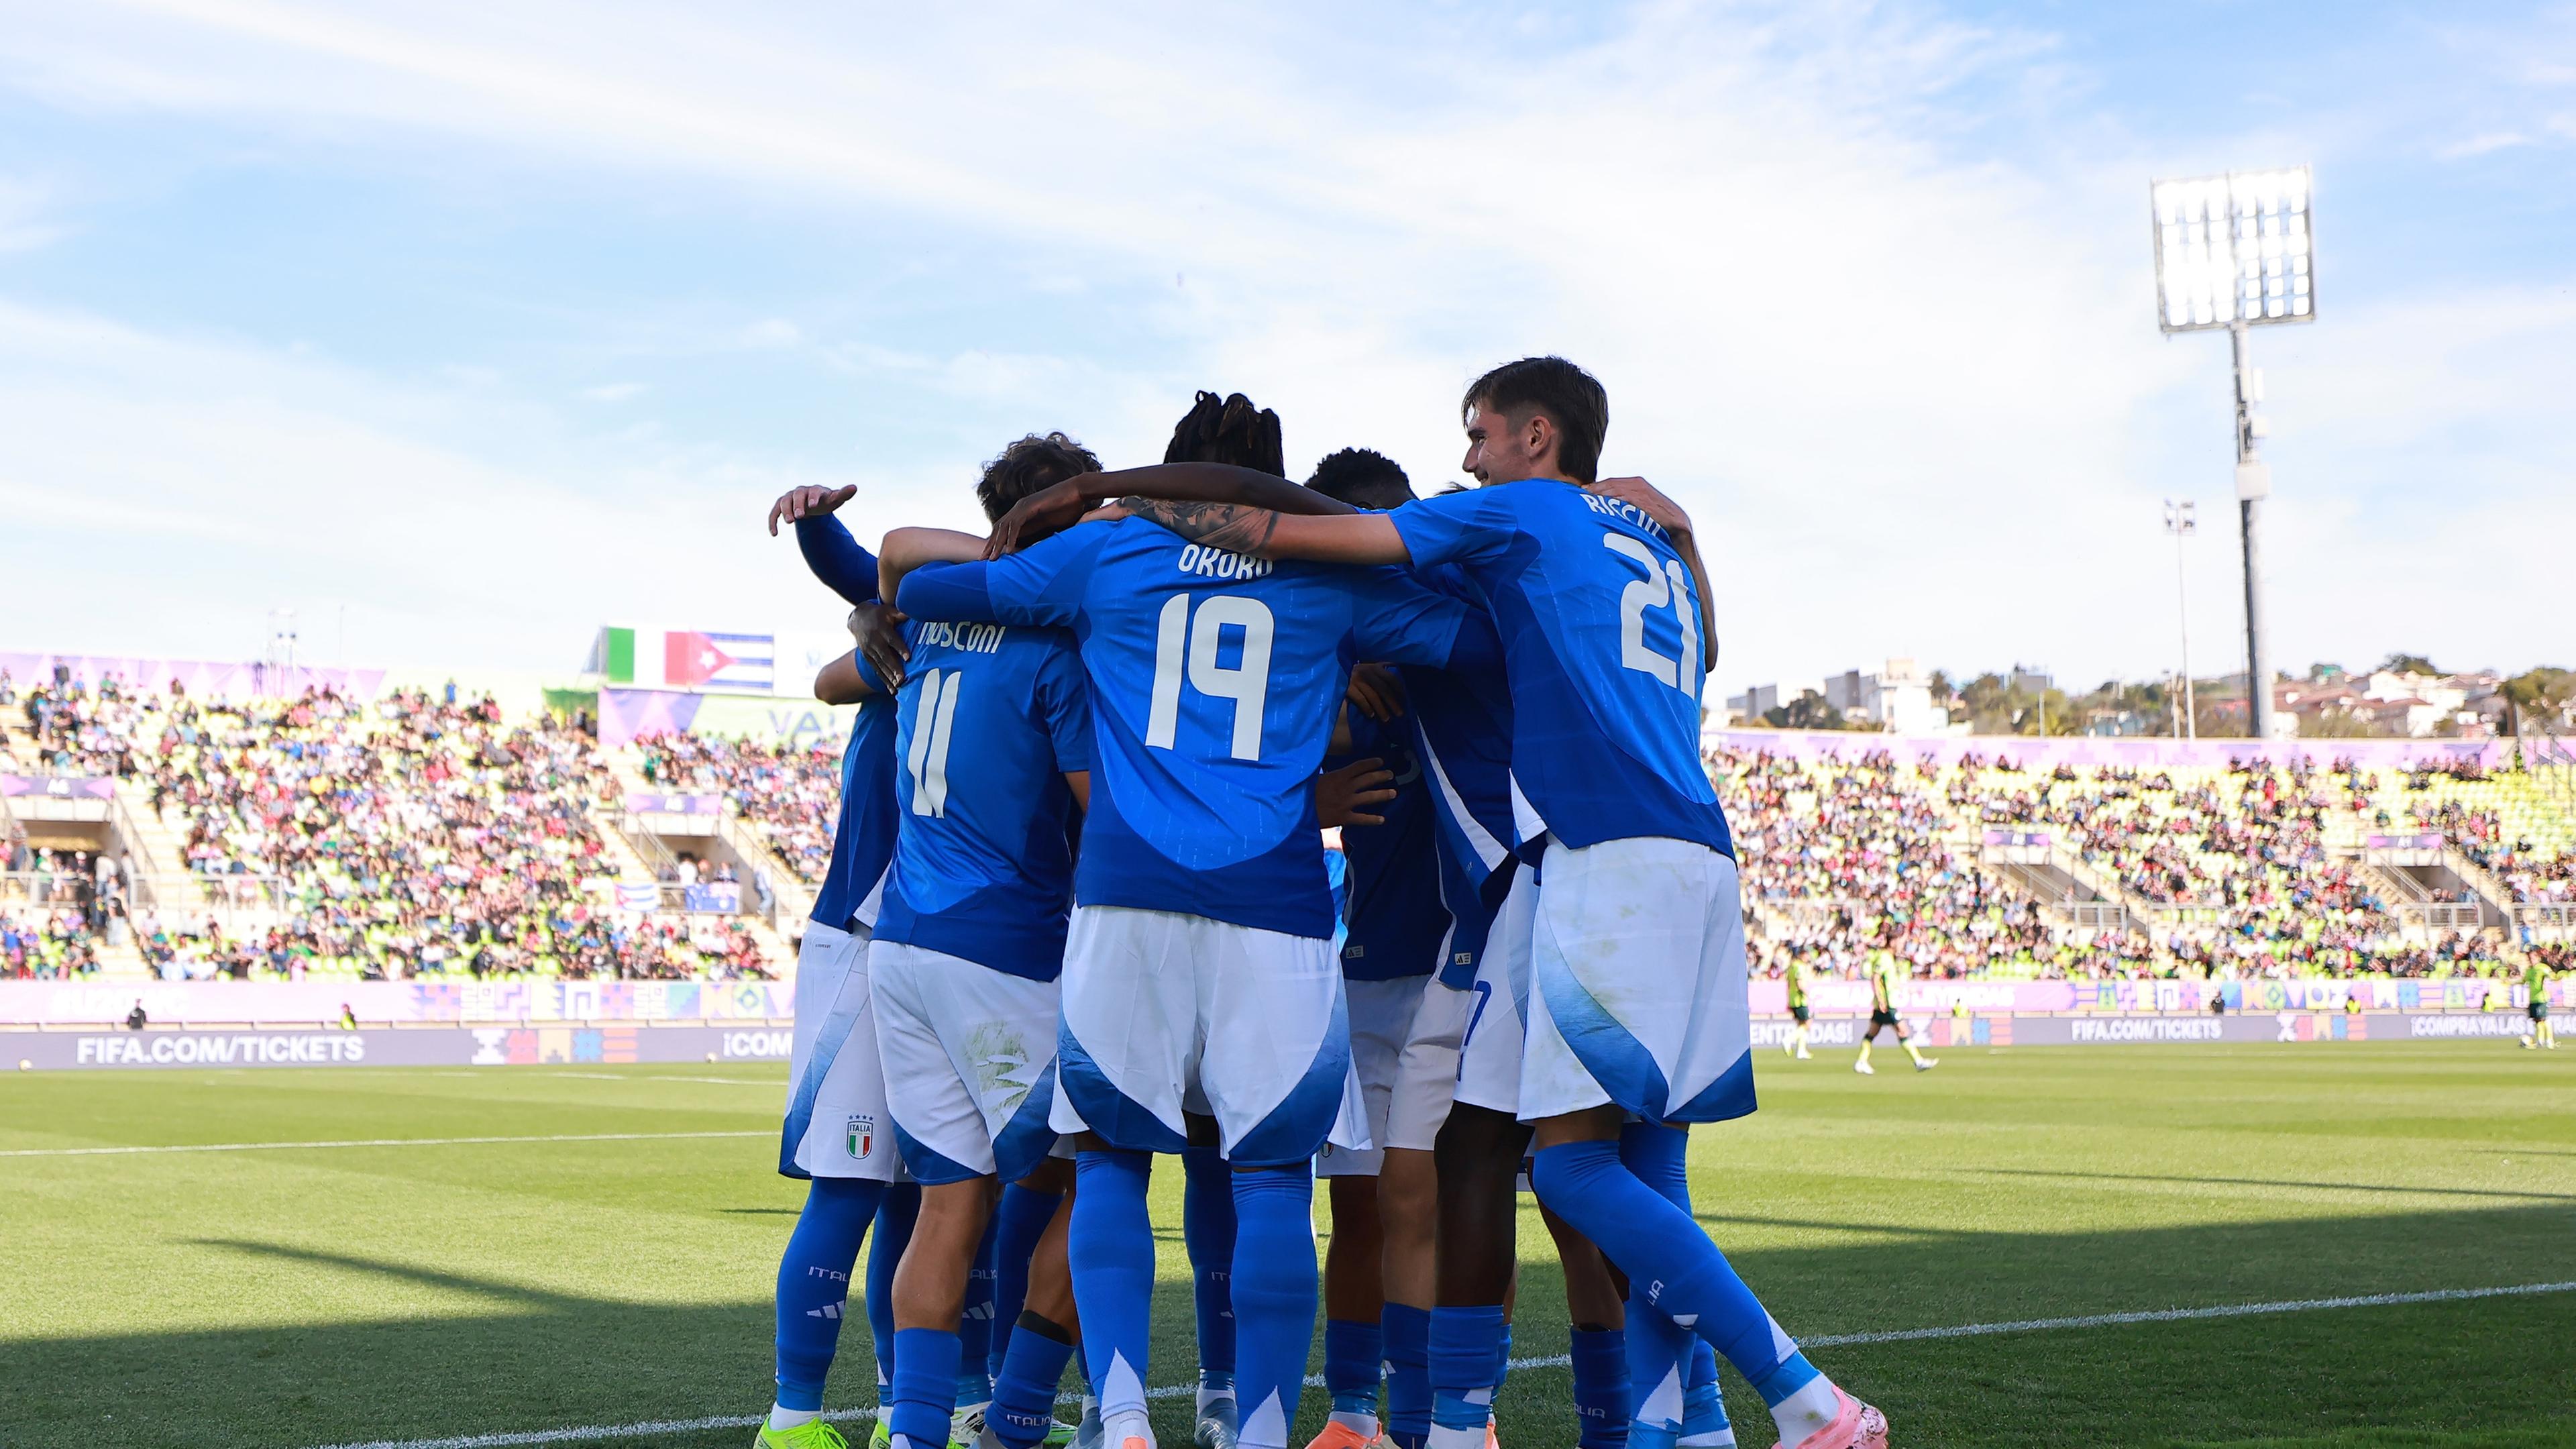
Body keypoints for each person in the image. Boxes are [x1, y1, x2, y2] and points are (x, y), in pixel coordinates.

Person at [1054, 357, 1886, 1449]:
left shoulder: (1502, 542)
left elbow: (1325, 542)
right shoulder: (1639, 548)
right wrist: (1685, 531)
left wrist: (1128, 506)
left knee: (1577, 1174)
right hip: (1667, 859)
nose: (1468, 456)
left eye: (1481, 433)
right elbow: (1707, 646)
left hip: (1579, 866)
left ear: (1536, 436)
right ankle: (1650, 1429)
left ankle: (1800, 1400)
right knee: (1574, 1168)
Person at [893, 431, 1499, 1449]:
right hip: (1277, 911)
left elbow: (925, 591)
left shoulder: (1105, 553)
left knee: (1111, 1168)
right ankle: (1259, 1429)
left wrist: (894, 602)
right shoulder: (1326, 573)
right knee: (1269, 1180)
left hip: (1124, 899)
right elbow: (1476, 639)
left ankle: (1122, 1418)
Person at [854, 434, 1104, 1449]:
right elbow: (1101, 813)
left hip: (904, 943)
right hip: (1001, 948)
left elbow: (896, 550)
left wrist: (883, 598)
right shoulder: (1053, 650)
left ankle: (916, 1431)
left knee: (951, 1200)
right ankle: (1017, 1419)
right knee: (1105, 1184)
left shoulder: (928, 619)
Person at [755, 480, 920, 1449]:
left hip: (948, 942)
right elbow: (860, 573)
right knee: (853, 1185)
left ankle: (912, 1406)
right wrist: (818, 524)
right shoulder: (910, 635)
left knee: (924, 1190)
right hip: (865, 934)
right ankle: (794, 1421)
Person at [1854, 939, 1934, 1075]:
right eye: (1900, 942)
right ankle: (1918, 1061)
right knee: (1903, 1031)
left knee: (1871, 1034)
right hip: (1887, 1004)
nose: (1902, 945)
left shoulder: (1889, 958)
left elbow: (1888, 981)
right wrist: (1881, 999)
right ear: (1893, 943)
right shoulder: (1884, 957)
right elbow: (1875, 977)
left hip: (1885, 1003)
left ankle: (1861, 1061)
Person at [1782, 953, 1814, 1060]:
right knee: (1808, 1023)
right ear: (1801, 955)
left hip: (1792, 999)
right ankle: (1789, 1040)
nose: (1808, 957)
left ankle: (1801, 1050)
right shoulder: (1799, 967)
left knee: (1801, 1024)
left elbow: (1788, 985)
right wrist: (1809, 994)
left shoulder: (1791, 967)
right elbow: (1800, 983)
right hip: (1800, 1000)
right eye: (1806, 955)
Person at [2522, 955, 2556, 1051]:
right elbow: (2524, 981)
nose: (2531, 960)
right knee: (2537, 1021)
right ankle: (2541, 1041)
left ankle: (2550, 1040)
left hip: (2542, 998)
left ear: (2538, 958)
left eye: (2533, 958)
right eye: (2530, 959)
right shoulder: (2530, 971)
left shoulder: (2542, 968)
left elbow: (2552, 976)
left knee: (2543, 1019)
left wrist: (2552, 976)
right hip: (2532, 999)